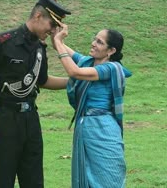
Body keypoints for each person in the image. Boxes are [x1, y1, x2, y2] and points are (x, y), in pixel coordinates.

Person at [0, 0, 71, 188]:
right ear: (38, 16)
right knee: (3, 181)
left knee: (34, 181)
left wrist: (75, 81)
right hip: (5, 119)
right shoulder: (2, 42)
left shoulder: (40, 48)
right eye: (52, 24)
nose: (52, 31)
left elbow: (41, 81)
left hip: (31, 119)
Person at [52, 22, 132, 188]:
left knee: (109, 178)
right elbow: (62, 48)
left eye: (100, 42)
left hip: (103, 128)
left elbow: (74, 72)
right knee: (86, 179)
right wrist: (56, 32)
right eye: (95, 39)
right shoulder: (88, 61)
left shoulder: (110, 68)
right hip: (86, 127)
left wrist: (59, 42)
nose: (93, 43)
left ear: (111, 51)